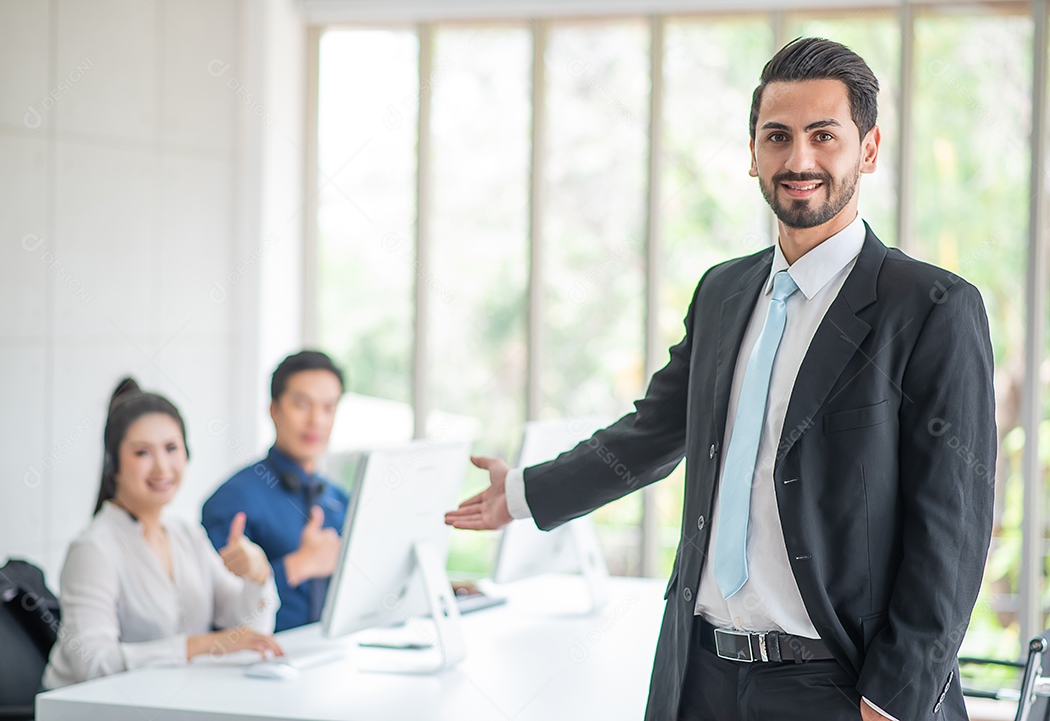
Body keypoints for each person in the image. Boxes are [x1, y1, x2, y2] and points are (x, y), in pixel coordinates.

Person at [446, 37, 995, 721]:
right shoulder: (724, 291)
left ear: (870, 149)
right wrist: (524, 493)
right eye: (777, 136)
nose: (799, 160)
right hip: (699, 676)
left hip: (840, 687)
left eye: (824, 136)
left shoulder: (930, 306)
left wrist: (894, 698)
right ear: (753, 153)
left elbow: (953, 524)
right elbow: (653, 431)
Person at [43, 378, 282, 689]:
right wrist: (199, 645)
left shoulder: (186, 534)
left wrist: (257, 576)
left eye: (171, 448)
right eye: (142, 453)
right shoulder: (93, 549)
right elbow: (92, 663)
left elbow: (251, 632)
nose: (162, 467)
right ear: (113, 463)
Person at [202, 350, 349, 632]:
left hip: (333, 655)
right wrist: (298, 565)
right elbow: (219, 610)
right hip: (258, 663)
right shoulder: (233, 499)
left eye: (328, 408)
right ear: (274, 409)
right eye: (302, 405)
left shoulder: (340, 500)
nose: (316, 420)